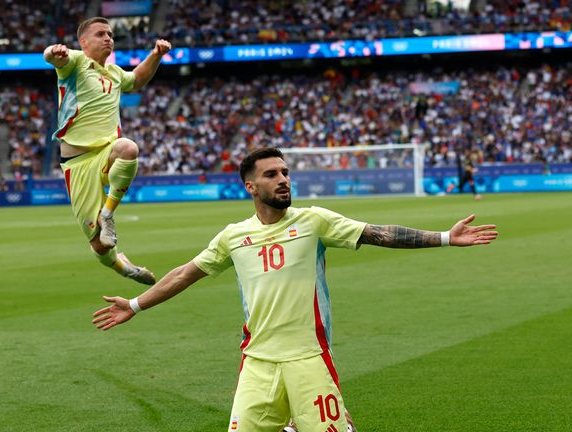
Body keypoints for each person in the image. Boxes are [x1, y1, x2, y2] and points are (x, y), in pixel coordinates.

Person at [92, 148, 498, 432]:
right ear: (251, 187)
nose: (283, 180)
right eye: (272, 174)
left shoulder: (313, 221)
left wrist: (444, 237)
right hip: (257, 363)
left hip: (309, 359)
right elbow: (185, 273)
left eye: (285, 173)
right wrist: (135, 303)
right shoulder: (234, 236)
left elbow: (378, 233)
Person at [43, 17, 172, 285]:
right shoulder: (76, 62)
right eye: (101, 34)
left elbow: (136, 80)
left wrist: (156, 55)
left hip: (107, 154)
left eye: (110, 34)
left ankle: (108, 212)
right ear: (83, 42)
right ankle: (121, 265)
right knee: (100, 246)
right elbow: (54, 60)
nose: (108, 38)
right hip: (77, 164)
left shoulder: (114, 73)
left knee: (128, 147)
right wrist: (54, 52)